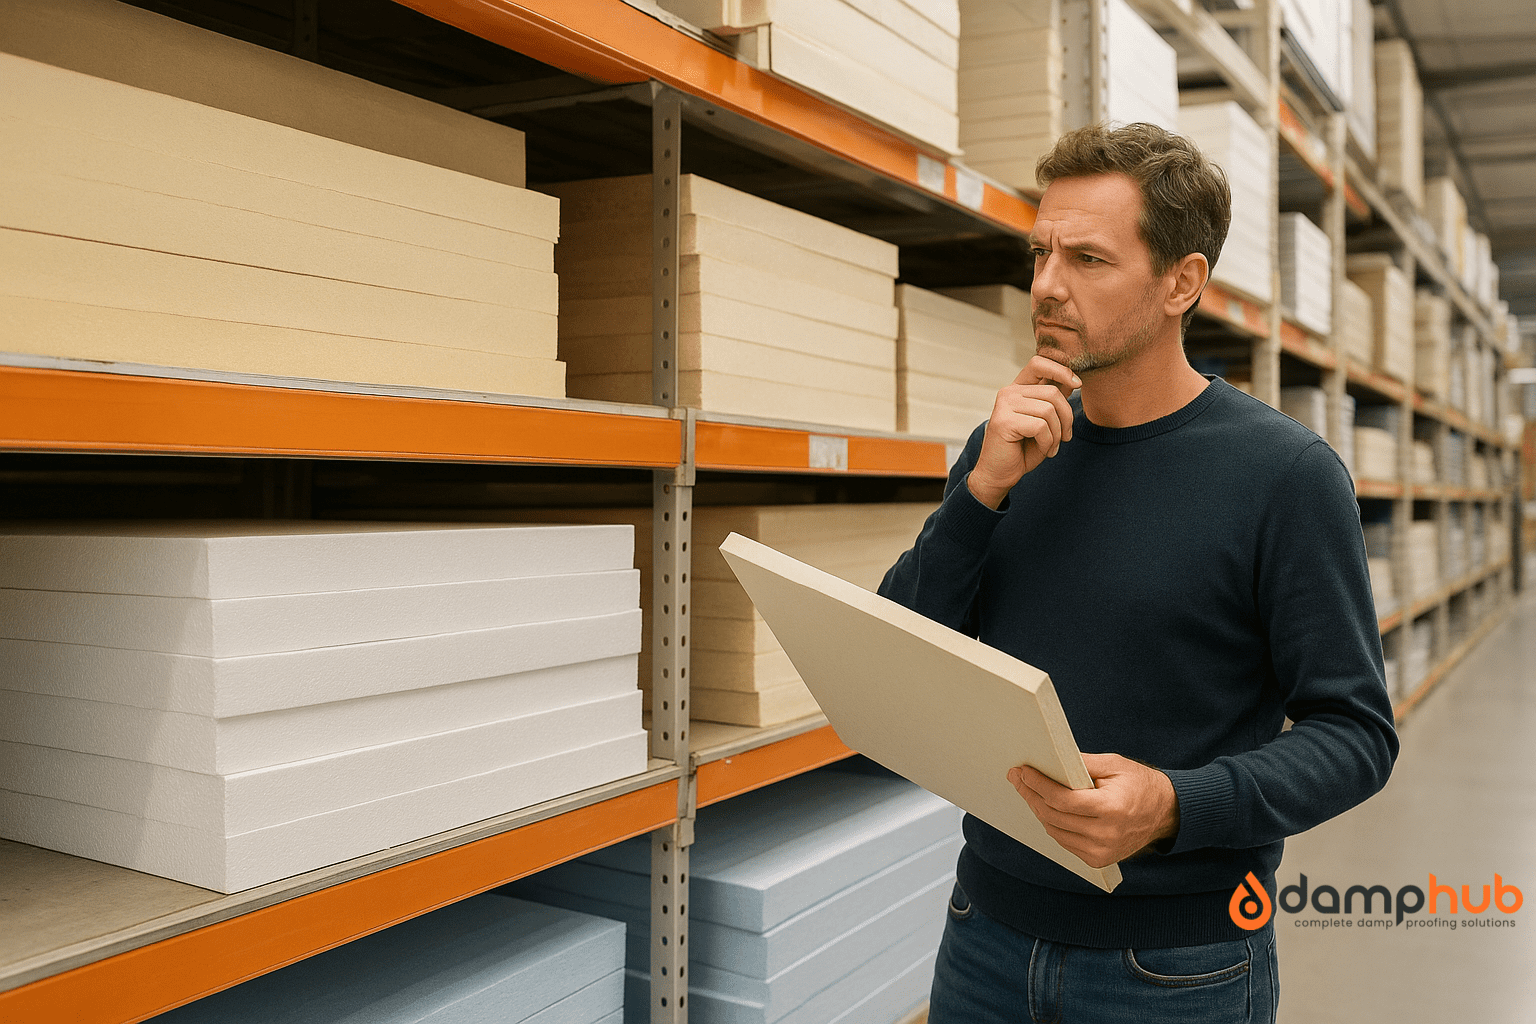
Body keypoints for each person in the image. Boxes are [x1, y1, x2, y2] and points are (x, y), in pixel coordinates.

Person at [878, 122, 1399, 1022]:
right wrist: (981, 493)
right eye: (1039, 252)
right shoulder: (1008, 448)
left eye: (1087, 258)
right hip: (983, 936)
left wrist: (1173, 804)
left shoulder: (1284, 476)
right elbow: (896, 653)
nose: (1045, 285)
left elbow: (1356, 735)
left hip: (1176, 968)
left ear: (1180, 282)